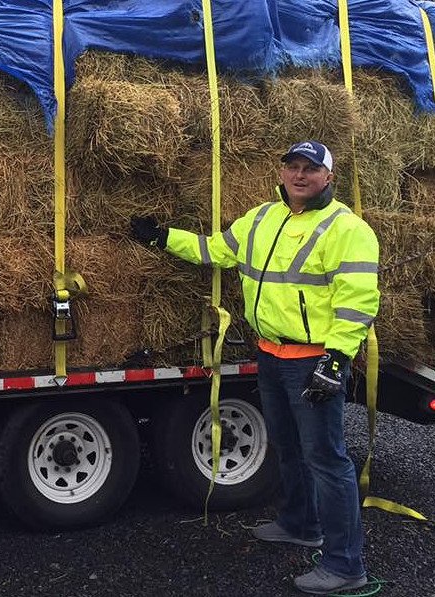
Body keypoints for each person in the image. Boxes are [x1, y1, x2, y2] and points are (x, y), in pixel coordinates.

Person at [129, 141, 379, 596]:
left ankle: (346, 564)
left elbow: (358, 302)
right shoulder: (261, 218)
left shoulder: (347, 228)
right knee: (286, 446)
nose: (299, 175)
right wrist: (162, 237)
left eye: (310, 169)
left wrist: (336, 360)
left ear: (329, 177)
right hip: (270, 354)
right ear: (281, 172)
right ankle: (301, 524)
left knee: (327, 460)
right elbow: (214, 250)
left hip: (313, 360)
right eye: (292, 166)